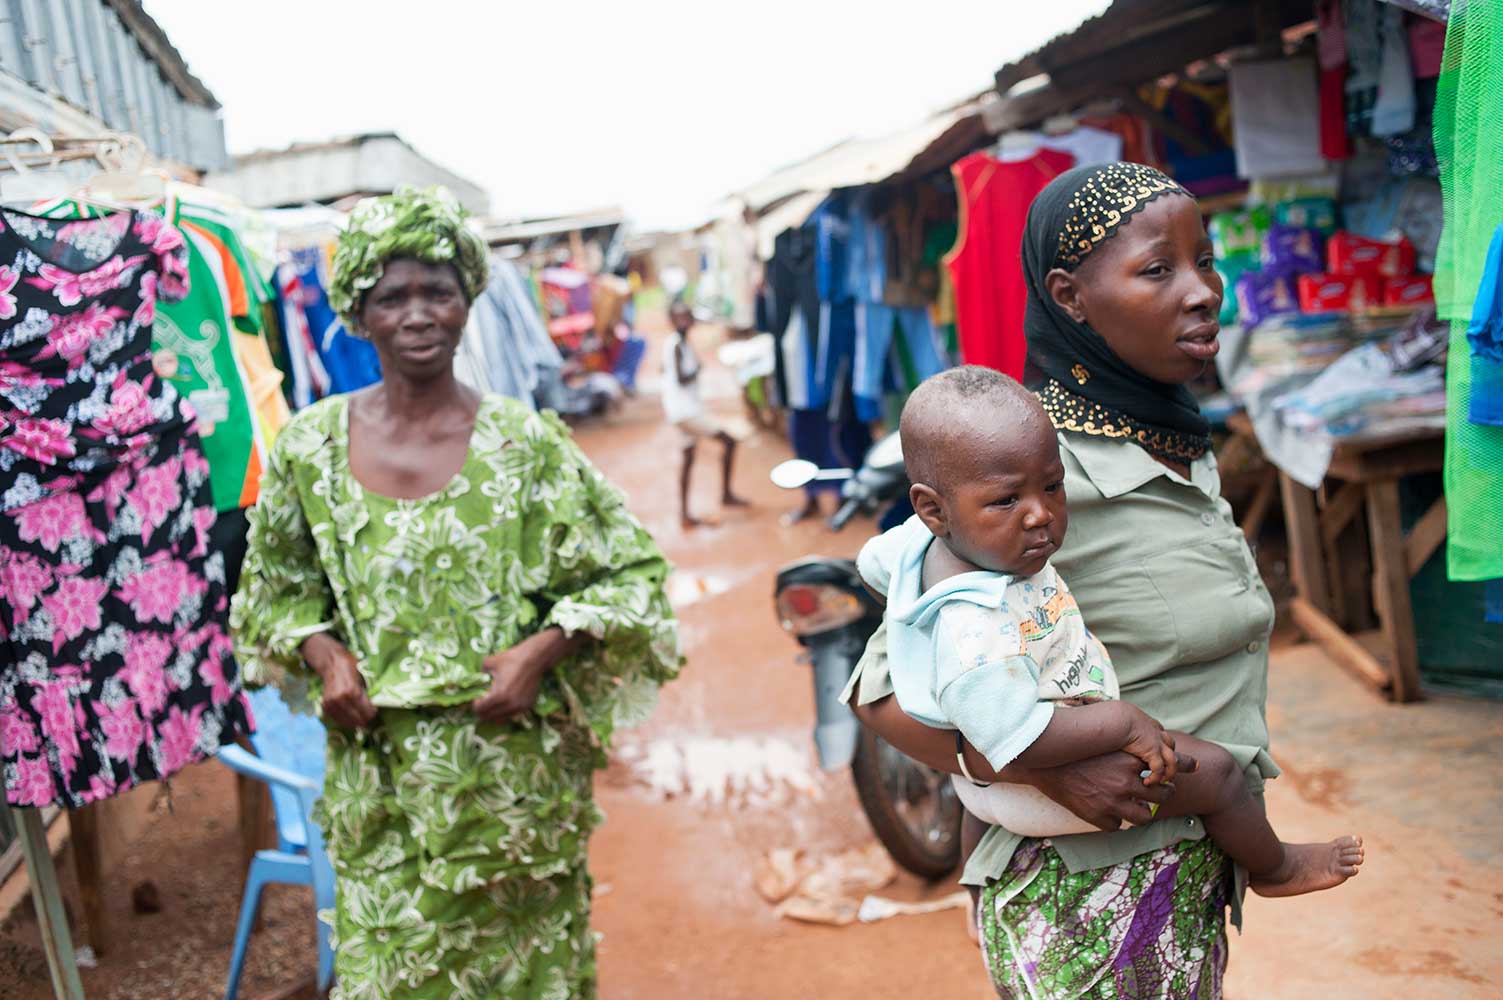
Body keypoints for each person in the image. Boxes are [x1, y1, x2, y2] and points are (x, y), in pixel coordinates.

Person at [845, 162, 1313, 998]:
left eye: (1203, 260)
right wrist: (1037, 764)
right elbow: (879, 692)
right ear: (1068, 296)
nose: (1204, 290)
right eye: (1157, 268)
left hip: (1181, 872)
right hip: (1085, 890)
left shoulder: (1170, 438)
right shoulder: (1029, 480)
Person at [232, 187, 679, 999]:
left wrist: (540, 653)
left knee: (525, 981)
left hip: (511, 794)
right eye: (390, 296)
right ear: (357, 312)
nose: (417, 314)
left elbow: (630, 578)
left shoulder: (524, 445)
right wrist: (326, 655)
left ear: (468, 300)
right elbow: (271, 597)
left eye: (437, 290)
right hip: (383, 796)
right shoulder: (310, 450)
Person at [864, 366, 1362, 899]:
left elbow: (874, 565)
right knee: (1218, 774)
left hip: (980, 795)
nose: (1040, 515)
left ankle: (976, 893)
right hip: (1041, 775)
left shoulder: (928, 546)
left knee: (983, 813)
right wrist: (1121, 722)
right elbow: (1019, 738)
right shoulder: (974, 630)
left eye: (1053, 487)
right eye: (1006, 501)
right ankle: (1276, 867)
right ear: (933, 509)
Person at [661, 298, 750, 528]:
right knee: (729, 441)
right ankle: (726, 494)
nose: (684, 321)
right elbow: (681, 377)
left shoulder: (681, 343)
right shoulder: (676, 345)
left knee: (688, 457)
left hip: (683, 410)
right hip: (686, 412)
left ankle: (684, 514)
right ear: (672, 320)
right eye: (679, 317)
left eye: (686, 316)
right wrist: (697, 368)